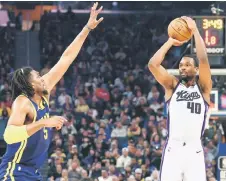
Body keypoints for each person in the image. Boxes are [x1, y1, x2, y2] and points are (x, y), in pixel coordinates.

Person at [0, 2, 103, 181]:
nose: (42, 77)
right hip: (15, 171)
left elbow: (66, 58)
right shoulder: (23, 102)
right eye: (37, 77)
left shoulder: (43, 92)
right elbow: (9, 136)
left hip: (33, 172)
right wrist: (43, 123)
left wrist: (87, 28)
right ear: (30, 85)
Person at [148, 16, 212, 181]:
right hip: (173, 148)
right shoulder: (172, 86)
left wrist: (196, 30)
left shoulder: (203, 88)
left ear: (196, 69)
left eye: (187, 65)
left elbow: (204, 59)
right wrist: (170, 41)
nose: (183, 67)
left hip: (194, 149)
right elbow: (153, 65)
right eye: (181, 65)